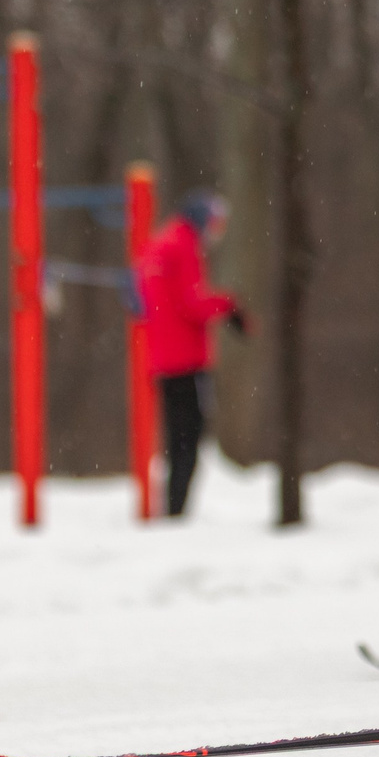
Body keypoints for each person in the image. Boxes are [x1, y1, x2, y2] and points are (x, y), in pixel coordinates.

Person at [135, 191, 246, 517]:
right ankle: (176, 510)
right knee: (189, 438)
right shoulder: (184, 247)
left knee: (176, 436)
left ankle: (173, 506)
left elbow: (143, 297)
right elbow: (191, 304)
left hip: (162, 359)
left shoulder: (159, 244)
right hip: (186, 360)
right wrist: (228, 305)